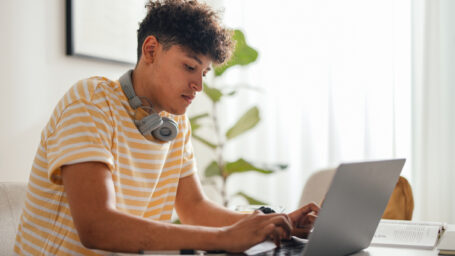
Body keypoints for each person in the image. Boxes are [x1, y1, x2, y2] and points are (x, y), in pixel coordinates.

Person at [14, 0, 319, 255]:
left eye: (204, 72)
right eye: (189, 66)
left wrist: (273, 223)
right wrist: (224, 238)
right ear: (150, 51)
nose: (198, 85)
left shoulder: (175, 123)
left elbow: (194, 208)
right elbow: (97, 226)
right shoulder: (91, 103)